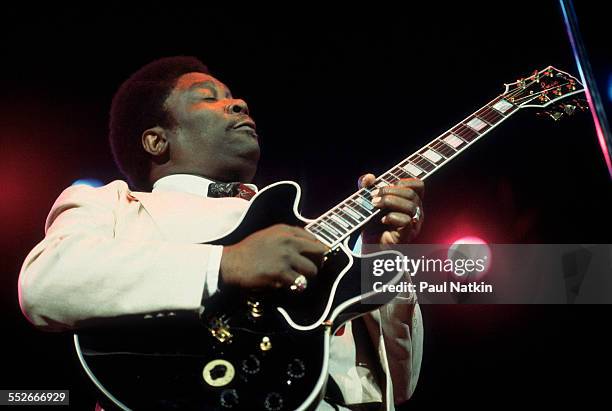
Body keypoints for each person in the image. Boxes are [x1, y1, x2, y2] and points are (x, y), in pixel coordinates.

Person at [18, 56, 424, 410]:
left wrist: (383, 253)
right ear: (158, 141)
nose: (239, 103)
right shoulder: (115, 204)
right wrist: (225, 264)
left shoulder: (302, 231)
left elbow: (398, 386)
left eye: (233, 95)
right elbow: (44, 284)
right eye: (209, 97)